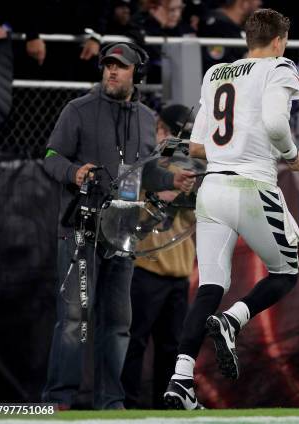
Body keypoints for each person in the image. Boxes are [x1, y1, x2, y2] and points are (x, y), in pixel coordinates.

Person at [163, 8, 299, 410]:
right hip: (252, 185)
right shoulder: (280, 66)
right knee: (286, 271)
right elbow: (277, 125)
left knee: (210, 286)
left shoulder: (216, 74)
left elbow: (195, 147)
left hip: (213, 188)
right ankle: (234, 319)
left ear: (247, 38)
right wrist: (291, 155)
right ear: (279, 40)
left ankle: (180, 379)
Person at [42, 42, 194, 410]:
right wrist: (73, 171)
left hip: (122, 233)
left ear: (136, 74)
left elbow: (146, 172)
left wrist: (171, 181)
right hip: (81, 230)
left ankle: (110, 402)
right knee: (74, 318)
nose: (111, 71)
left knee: (118, 323)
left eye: (120, 67)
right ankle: (60, 400)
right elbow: (50, 156)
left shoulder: (145, 117)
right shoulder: (76, 109)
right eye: (107, 65)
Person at [121, 104, 199, 409]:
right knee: (134, 342)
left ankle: (168, 409)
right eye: (175, 133)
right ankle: (124, 404)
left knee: (173, 348)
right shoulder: (142, 167)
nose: (179, 141)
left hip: (178, 274)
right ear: (159, 129)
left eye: (188, 136)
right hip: (145, 268)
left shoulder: (191, 173)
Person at [132, 0, 195, 83]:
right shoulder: (139, 28)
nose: (177, 14)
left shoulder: (185, 29)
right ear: (154, 9)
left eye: (180, 9)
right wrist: (157, 25)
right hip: (150, 87)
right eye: (172, 10)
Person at [197, 0, 261, 71]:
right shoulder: (216, 27)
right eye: (256, 0)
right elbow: (219, 70)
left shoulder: (238, 27)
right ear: (243, 3)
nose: (259, 3)